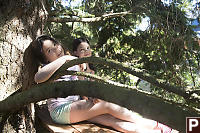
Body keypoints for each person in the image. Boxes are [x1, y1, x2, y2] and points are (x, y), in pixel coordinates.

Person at [31, 35, 176, 133]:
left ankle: (156, 130)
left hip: (74, 108)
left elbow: (82, 88)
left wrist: (90, 94)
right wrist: (65, 59)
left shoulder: (73, 64)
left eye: (55, 44)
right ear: (45, 59)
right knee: (107, 105)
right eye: (50, 50)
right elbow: (38, 78)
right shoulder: (52, 67)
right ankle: (158, 125)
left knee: (112, 121)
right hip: (61, 111)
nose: (57, 49)